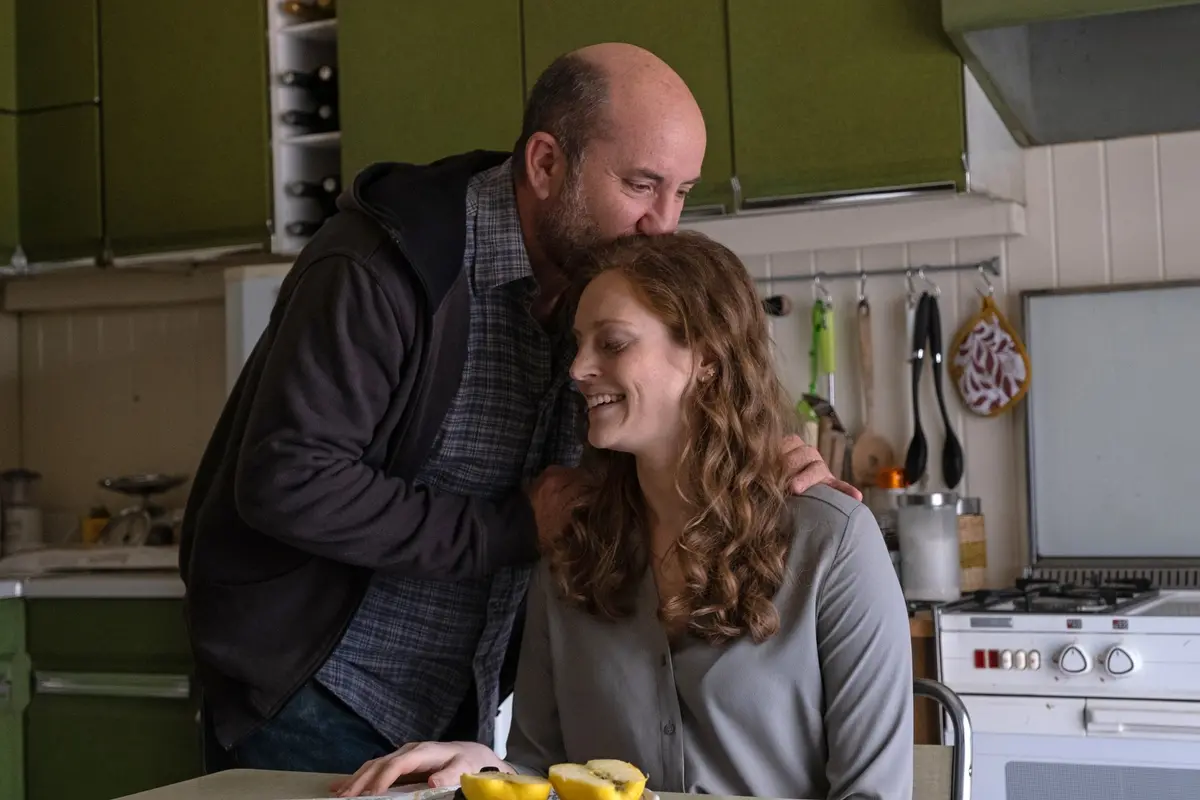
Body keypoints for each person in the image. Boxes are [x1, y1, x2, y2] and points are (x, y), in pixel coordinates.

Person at [180, 42, 859, 775]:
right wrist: (512, 527)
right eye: (641, 185)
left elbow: (676, 409)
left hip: (457, 711)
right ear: (544, 164)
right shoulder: (383, 269)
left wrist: (767, 459)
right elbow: (290, 480)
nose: (662, 224)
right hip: (314, 697)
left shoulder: (594, 282)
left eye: (682, 192)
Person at [334, 231, 913, 800]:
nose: (578, 368)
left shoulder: (831, 543)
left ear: (707, 357)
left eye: (612, 344)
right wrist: (486, 769)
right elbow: (547, 769)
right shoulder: (572, 549)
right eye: (579, 343)